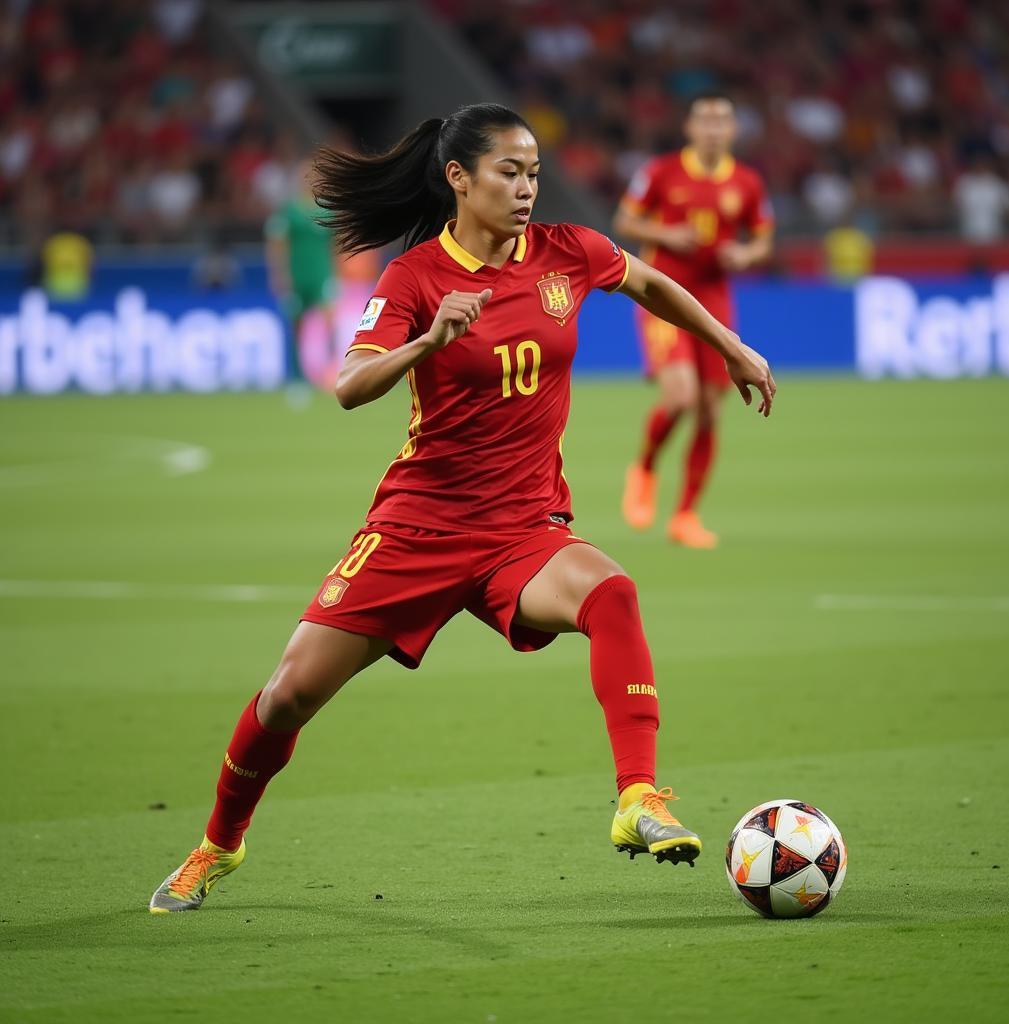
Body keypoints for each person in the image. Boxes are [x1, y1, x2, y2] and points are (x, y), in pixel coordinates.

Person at [149, 103, 775, 913]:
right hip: (416, 530)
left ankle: (638, 798)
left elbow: (651, 281)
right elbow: (349, 386)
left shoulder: (567, 253)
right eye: (509, 173)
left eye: (534, 174)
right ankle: (216, 846)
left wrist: (734, 346)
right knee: (286, 697)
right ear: (459, 178)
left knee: (613, 592)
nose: (526, 190)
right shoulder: (415, 278)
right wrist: (428, 343)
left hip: (523, 531)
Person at [615, 92, 774, 548]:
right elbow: (624, 220)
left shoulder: (746, 182)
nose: (712, 128)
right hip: (664, 295)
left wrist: (745, 253)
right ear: (689, 128)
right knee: (681, 397)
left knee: (709, 409)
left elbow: (763, 240)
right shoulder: (661, 172)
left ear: (733, 130)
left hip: (714, 296)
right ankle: (644, 467)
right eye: (704, 119)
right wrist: (665, 233)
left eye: (721, 120)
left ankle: (685, 515)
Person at [264, 156, 337, 387]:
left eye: (313, 177)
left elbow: (336, 246)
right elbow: (276, 243)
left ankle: (329, 371)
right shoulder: (289, 212)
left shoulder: (326, 211)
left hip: (322, 276)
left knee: (329, 322)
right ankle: (297, 377)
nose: (310, 181)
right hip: (297, 277)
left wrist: (338, 275)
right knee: (297, 325)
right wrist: (279, 274)